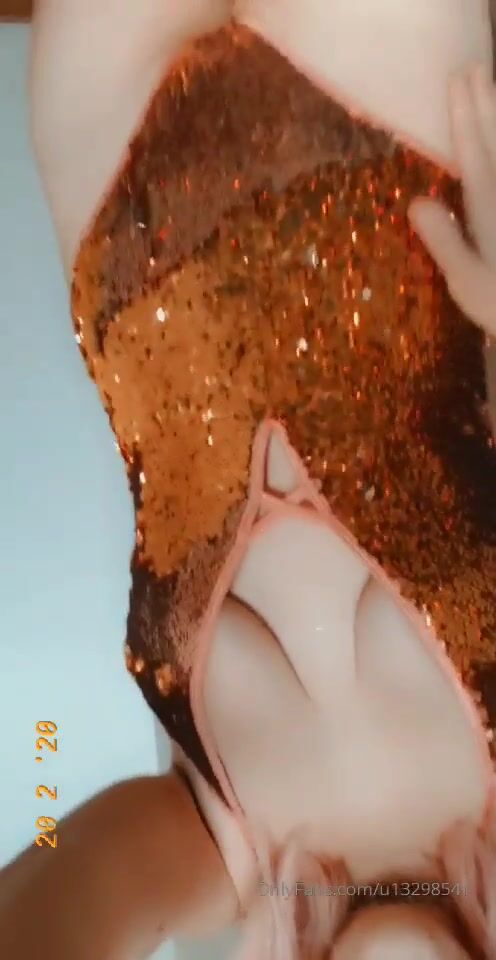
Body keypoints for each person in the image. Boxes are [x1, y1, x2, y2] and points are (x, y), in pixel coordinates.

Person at [2, 1, 496, 958]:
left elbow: (41, 887)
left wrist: (45, 790)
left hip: (118, 150)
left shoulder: (223, 855)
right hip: (389, 122)